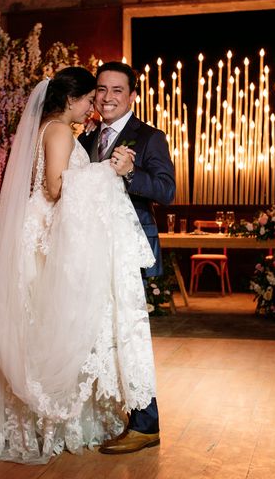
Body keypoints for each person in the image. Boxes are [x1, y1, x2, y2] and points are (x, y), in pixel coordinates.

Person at [0, 67, 157, 464]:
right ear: (72, 98)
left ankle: (33, 422)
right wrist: (103, 174)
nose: (93, 105)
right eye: (89, 97)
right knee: (52, 324)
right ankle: (45, 421)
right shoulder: (61, 131)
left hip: (46, 229)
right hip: (49, 233)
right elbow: (53, 186)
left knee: (39, 323)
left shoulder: (51, 128)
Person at [78, 61, 176, 454]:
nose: (107, 97)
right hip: (89, 253)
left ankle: (146, 424)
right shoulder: (86, 139)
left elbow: (166, 191)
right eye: (101, 90)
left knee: (131, 335)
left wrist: (131, 173)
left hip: (128, 255)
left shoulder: (149, 137)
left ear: (133, 95)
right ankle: (99, 414)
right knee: (97, 336)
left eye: (117, 90)